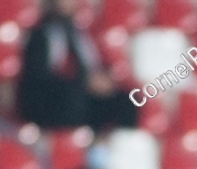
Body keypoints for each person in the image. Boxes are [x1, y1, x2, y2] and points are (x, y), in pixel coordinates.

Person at [17, 0, 137, 131]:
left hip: (83, 94)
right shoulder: (40, 34)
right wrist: (83, 82)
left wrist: (103, 80)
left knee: (128, 100)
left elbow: (92, 66)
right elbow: (38, 77)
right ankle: (71, 146)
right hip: (51, 99)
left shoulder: (79, 34)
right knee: (74, 96)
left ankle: (118, 145)